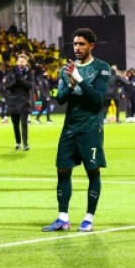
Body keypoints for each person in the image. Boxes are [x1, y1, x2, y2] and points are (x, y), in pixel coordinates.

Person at [42, 28, 111, 232]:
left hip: (91, 128)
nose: (77, 48)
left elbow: (97, 100)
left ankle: (88, 218)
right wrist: (71, 85)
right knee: (62, 170)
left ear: (91, 46)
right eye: (75, 44)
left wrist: (79, 79)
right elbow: (60, 99)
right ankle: (63, 218)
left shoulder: (102, 68)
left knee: (93, 171)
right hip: (70, 128)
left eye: (81, 44)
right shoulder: (66, 70)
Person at [4, 54, 33, 151]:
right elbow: (7, 86)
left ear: (26, 63)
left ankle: (25, 144)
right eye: (20, 61)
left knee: (24, 123)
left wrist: (20, 79)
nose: (21, 63)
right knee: (15, 124)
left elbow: (29, 85)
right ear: (16, 62)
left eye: (23, 61)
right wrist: (16, 80)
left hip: (24, 101)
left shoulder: (29, 73)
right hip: (13, 101)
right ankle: (18, 142)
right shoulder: (11, 73)